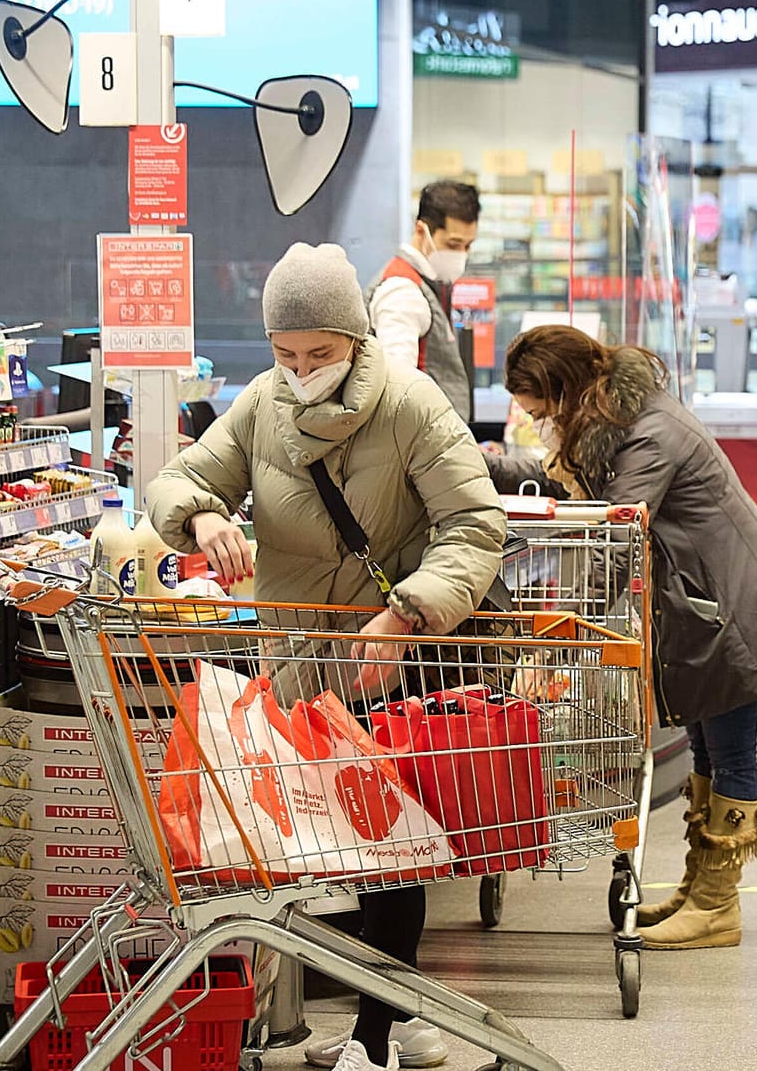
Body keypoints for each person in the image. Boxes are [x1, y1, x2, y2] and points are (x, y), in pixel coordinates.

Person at [149, 243, 508, 1071]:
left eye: (321, 352)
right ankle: (408, 1020)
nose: (302, 369)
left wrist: (407, 613)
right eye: (286, 354)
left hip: (401, 666)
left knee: (389, 845)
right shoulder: (261, 406)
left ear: (354, 339)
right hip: (304, 670)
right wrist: (202, 516)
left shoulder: (411, 404)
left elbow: (475, 526)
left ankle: (376, 1039)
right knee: (337, 845)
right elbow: (177, 480)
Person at [494, 325, 757, 950]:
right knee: (706, 751)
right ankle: (698, 888)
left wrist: (560, 635)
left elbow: (616, 540)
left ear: (568, 394)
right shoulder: (622, 423)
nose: (536, 421)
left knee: (732, 754)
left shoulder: (651, 435)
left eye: (541, 410)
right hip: (704, 608)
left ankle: (717, 905)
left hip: (731, 612)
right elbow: (569, 483)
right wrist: (483, 467)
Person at [364, 180, 482, 422]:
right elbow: (395, 390)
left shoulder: (430, 284)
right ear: (421, 231)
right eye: (453, 244)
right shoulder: (401, 292)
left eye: (468, 246)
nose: (461, 254)